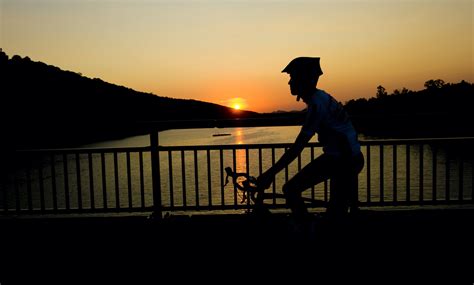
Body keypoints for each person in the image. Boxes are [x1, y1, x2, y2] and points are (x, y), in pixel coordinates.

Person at [257, 57, 364, 225]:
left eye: (292, 78)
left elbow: (298, 147)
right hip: (347, 158)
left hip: (342, 161)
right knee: (336, 213)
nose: (289, 82)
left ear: (303, 80)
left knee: (291, 190)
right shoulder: (321, 97)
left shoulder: (316, 105)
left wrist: (270, 173)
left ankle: (307, 230)